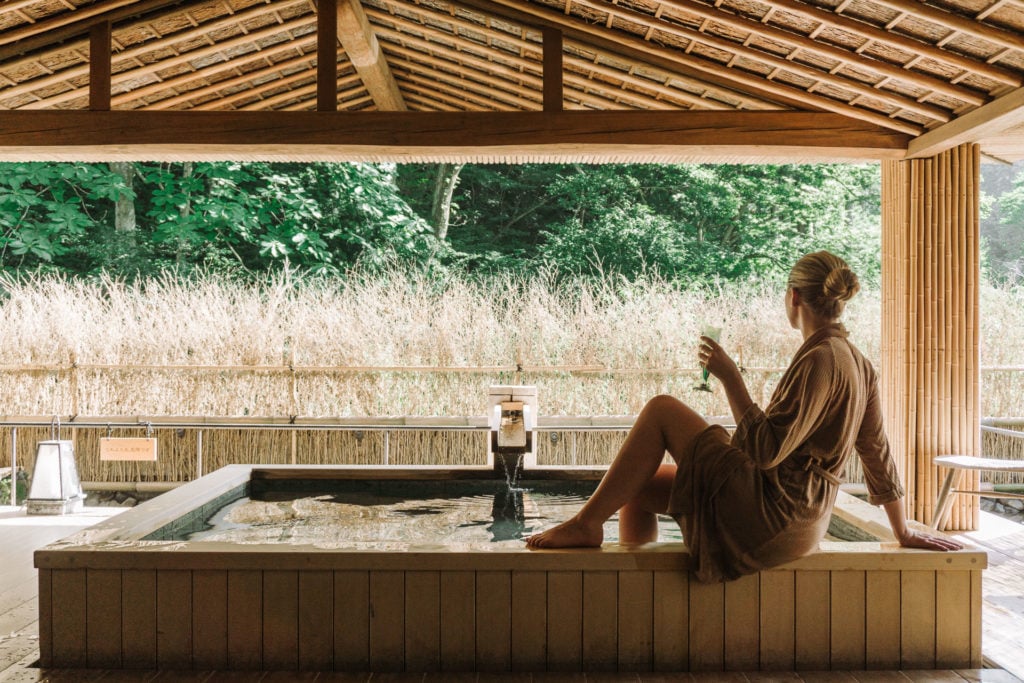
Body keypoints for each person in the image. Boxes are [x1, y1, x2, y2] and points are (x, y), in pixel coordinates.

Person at [525, 251, 962, 582]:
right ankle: (638, 591)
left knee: (662, 409)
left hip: (774, 514)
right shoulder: (857, 360)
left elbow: (764, 451)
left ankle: (585, 523)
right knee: (638, 485)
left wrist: (730, 378)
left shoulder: (820, 360)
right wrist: (902, 530)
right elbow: (876, 450)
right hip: (807, 521)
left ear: (793, 298)